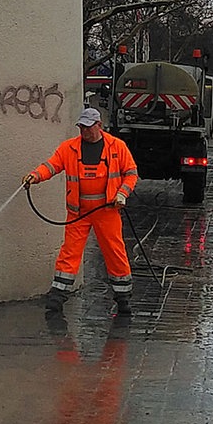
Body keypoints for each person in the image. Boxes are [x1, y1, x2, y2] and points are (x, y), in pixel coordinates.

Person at [24, 106, 138, 315]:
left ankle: (123, 299)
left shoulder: (117, 147)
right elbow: (52, 166)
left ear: (99, 125)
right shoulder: (69, 148)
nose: (84, 131)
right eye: (81, 127)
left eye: (87, 127)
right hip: (79, 212)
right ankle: (57, 298)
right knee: (70, 253)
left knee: (115, 253)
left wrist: (122, 193)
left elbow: (131, 173)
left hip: (107, 211)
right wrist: (35, 176)